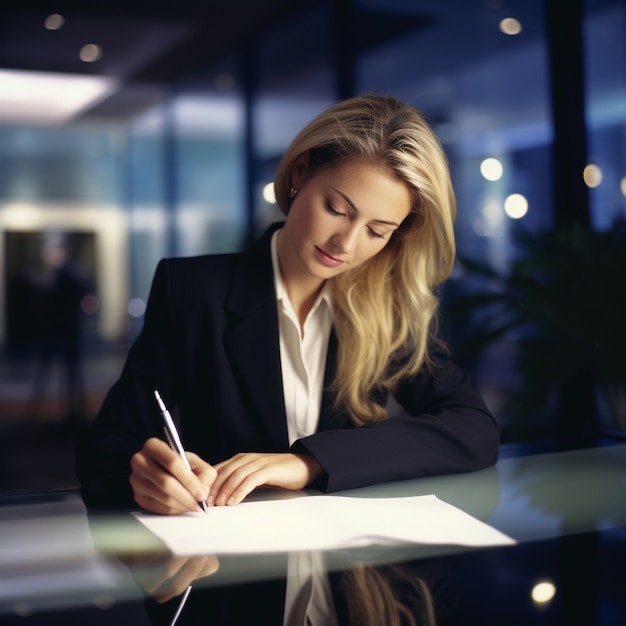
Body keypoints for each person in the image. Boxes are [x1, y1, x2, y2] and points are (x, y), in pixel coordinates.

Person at [75, 94, 499, 514]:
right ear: (300, 173)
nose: (346, 244)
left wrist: (310, 462)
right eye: (336, 208)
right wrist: (145, 480)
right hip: (228, 564)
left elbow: (474, 430)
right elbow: (106, 451)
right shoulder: (192, 290)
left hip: (344, 566)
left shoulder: (388, 307)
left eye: (378, 230)